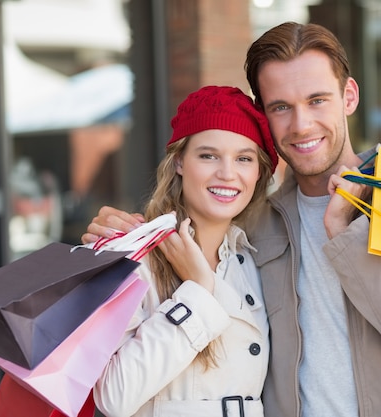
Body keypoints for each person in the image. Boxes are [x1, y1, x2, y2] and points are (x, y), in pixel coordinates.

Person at [83, 22, 381, 417]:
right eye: (281, 106)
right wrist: (121, 238)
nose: (301, 125)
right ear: (265, 117)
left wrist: (345, 236)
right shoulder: (253, 228)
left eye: (317, 100)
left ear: (348, 96)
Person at [92, 85, 278, 417]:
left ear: (259, 172)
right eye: (208, 155)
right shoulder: (136, 256)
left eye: (244, 158)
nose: (227, 173)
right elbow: (112, 396)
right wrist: (196, 294)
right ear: (179, 162)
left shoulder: (249, 258)